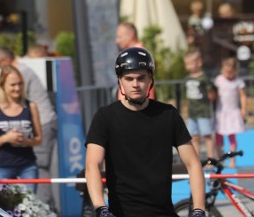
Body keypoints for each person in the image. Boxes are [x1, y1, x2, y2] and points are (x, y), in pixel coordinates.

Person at [85, 47, 206, 216]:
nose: (135, 84)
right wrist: (100, 208)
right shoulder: (105, 117)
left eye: (141, 78)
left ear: (151, 79)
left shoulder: (168, 114)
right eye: (129, 78)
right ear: (120, 81)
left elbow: (193, 164)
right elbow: (92, 165)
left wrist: (199, 209)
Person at [0, 46, 59, 212]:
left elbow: (13, 97)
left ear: (6, 61)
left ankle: (45, 209)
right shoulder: (21, 71)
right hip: (43, 121)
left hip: (42, 122)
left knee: (41, 168)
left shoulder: (22, 71)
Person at [0, 65, 42, 192]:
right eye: (13, 84)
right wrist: (6, 138)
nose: (17, 88)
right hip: (2, 166)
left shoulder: (31, 106)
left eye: (20, 84)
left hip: (28, 165)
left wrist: (24, 141)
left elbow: (39, 139)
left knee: (30, 206)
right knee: (3, 208)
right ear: (3, 85)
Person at [213, 56, 246, 167]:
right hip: (221, 112)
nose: (228, 74)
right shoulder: (219, 80)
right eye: (226, 71)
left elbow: (242, 96)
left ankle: (232, 160)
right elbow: (214, 94)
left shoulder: (237, 81)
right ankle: (219, 159)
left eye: (230, 72)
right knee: (219, 137)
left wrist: (243, 109)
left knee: (232, 137)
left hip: (232, 112)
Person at [183, 48, 215, 160]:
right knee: (194, 137)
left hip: (203, 112)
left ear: (199, 63)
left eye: (191, 63)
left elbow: (211, 93)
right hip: (192, 113)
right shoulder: (186, 79)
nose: (188, 66)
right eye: (186, 63)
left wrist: (211, 98)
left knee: (207, 135)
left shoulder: (204, 78)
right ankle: (196, 159)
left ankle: (210, 158)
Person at [114, 22, 154, 101]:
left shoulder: (142, 55)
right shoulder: (138, 55)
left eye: (119, 37)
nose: (117, 41)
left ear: (130, 35)